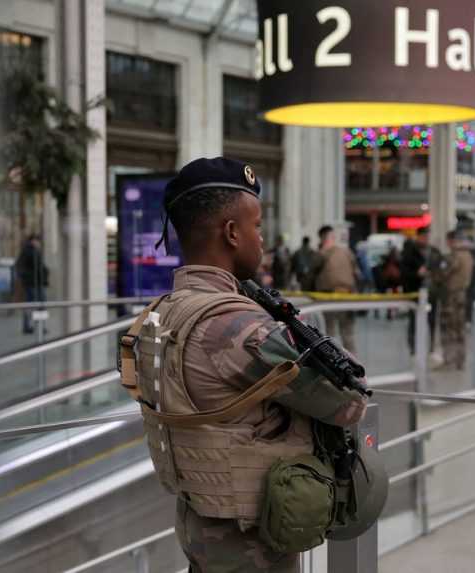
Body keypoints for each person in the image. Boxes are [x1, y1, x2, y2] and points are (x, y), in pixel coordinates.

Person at [125, 157, 367, 573]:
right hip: (252, 538)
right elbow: (349, 401)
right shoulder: (235, 326)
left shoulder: (162, 313)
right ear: (232, 233)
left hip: (201, 520)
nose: (262, 239)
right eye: (257, 226)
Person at [314, 225, 359, 351]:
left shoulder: (321, 253)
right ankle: (353, 364)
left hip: (328, 296)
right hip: (347, 295)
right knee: (348, 333)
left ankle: (333, 363)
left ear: (322, 238)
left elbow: (311, 275)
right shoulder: (347, 251)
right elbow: (356, 273)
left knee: (330, 332)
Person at [438, 231, 474, 370]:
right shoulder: (468, 255)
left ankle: (449, 360)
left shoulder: (455, 256)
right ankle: (460, 360)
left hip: (451, 296)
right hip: (462, 294)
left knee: (449, 328)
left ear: (451, 241)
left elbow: (444, 273)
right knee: (460, 328)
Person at [400, 228, 439, 353]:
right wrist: (417, 274)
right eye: (423, 236)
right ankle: (414, 348)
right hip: (415, 292)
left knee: (431, 321)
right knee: (414, 321)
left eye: (427, 236)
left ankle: (431, 347)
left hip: (432, 293)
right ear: (418, 237)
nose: (426, 239)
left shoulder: (434, 252)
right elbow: (404, 272)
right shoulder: (409, 252)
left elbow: (441, 270)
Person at [15, 234, 48, 334]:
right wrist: (27, 277)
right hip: (33, 283)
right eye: (38, 241)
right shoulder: (29, 251)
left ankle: (32, 326)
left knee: (34, 305)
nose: (39, 244)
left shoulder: (32, 251)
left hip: (34, 283)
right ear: (33, 241)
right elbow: (22, 267)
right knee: (39, 304)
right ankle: (36, 326)